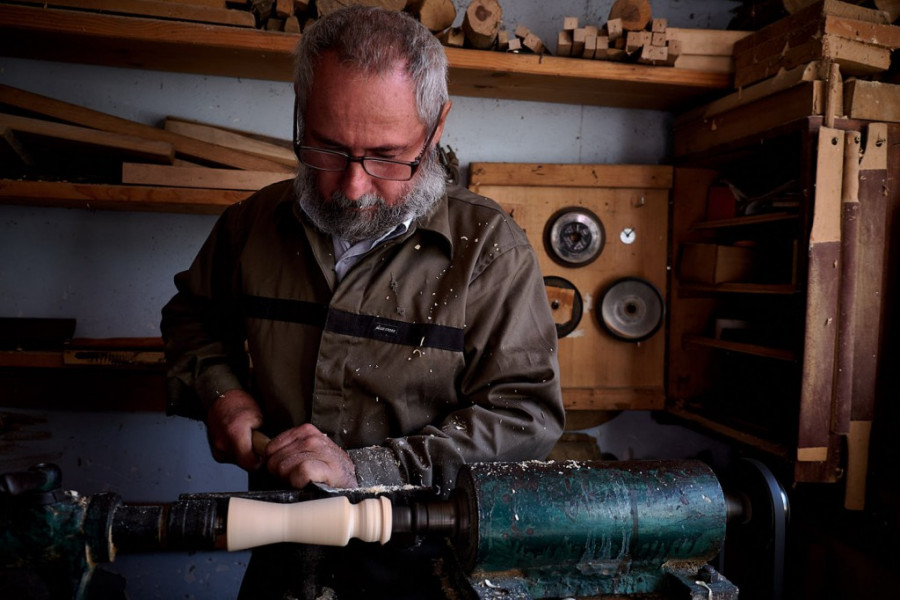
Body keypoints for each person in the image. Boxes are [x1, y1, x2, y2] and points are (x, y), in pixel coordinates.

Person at [161, 6, 564, 598]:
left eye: (385, 155)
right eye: (327, 148)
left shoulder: (488, 252)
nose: (352, 187)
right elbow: (191, 321)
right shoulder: (253, 225)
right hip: (283, 549)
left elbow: (525, 417)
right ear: (301, 107)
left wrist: (366, 472)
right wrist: (221, 392)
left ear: (436, 125)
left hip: (425, 557)